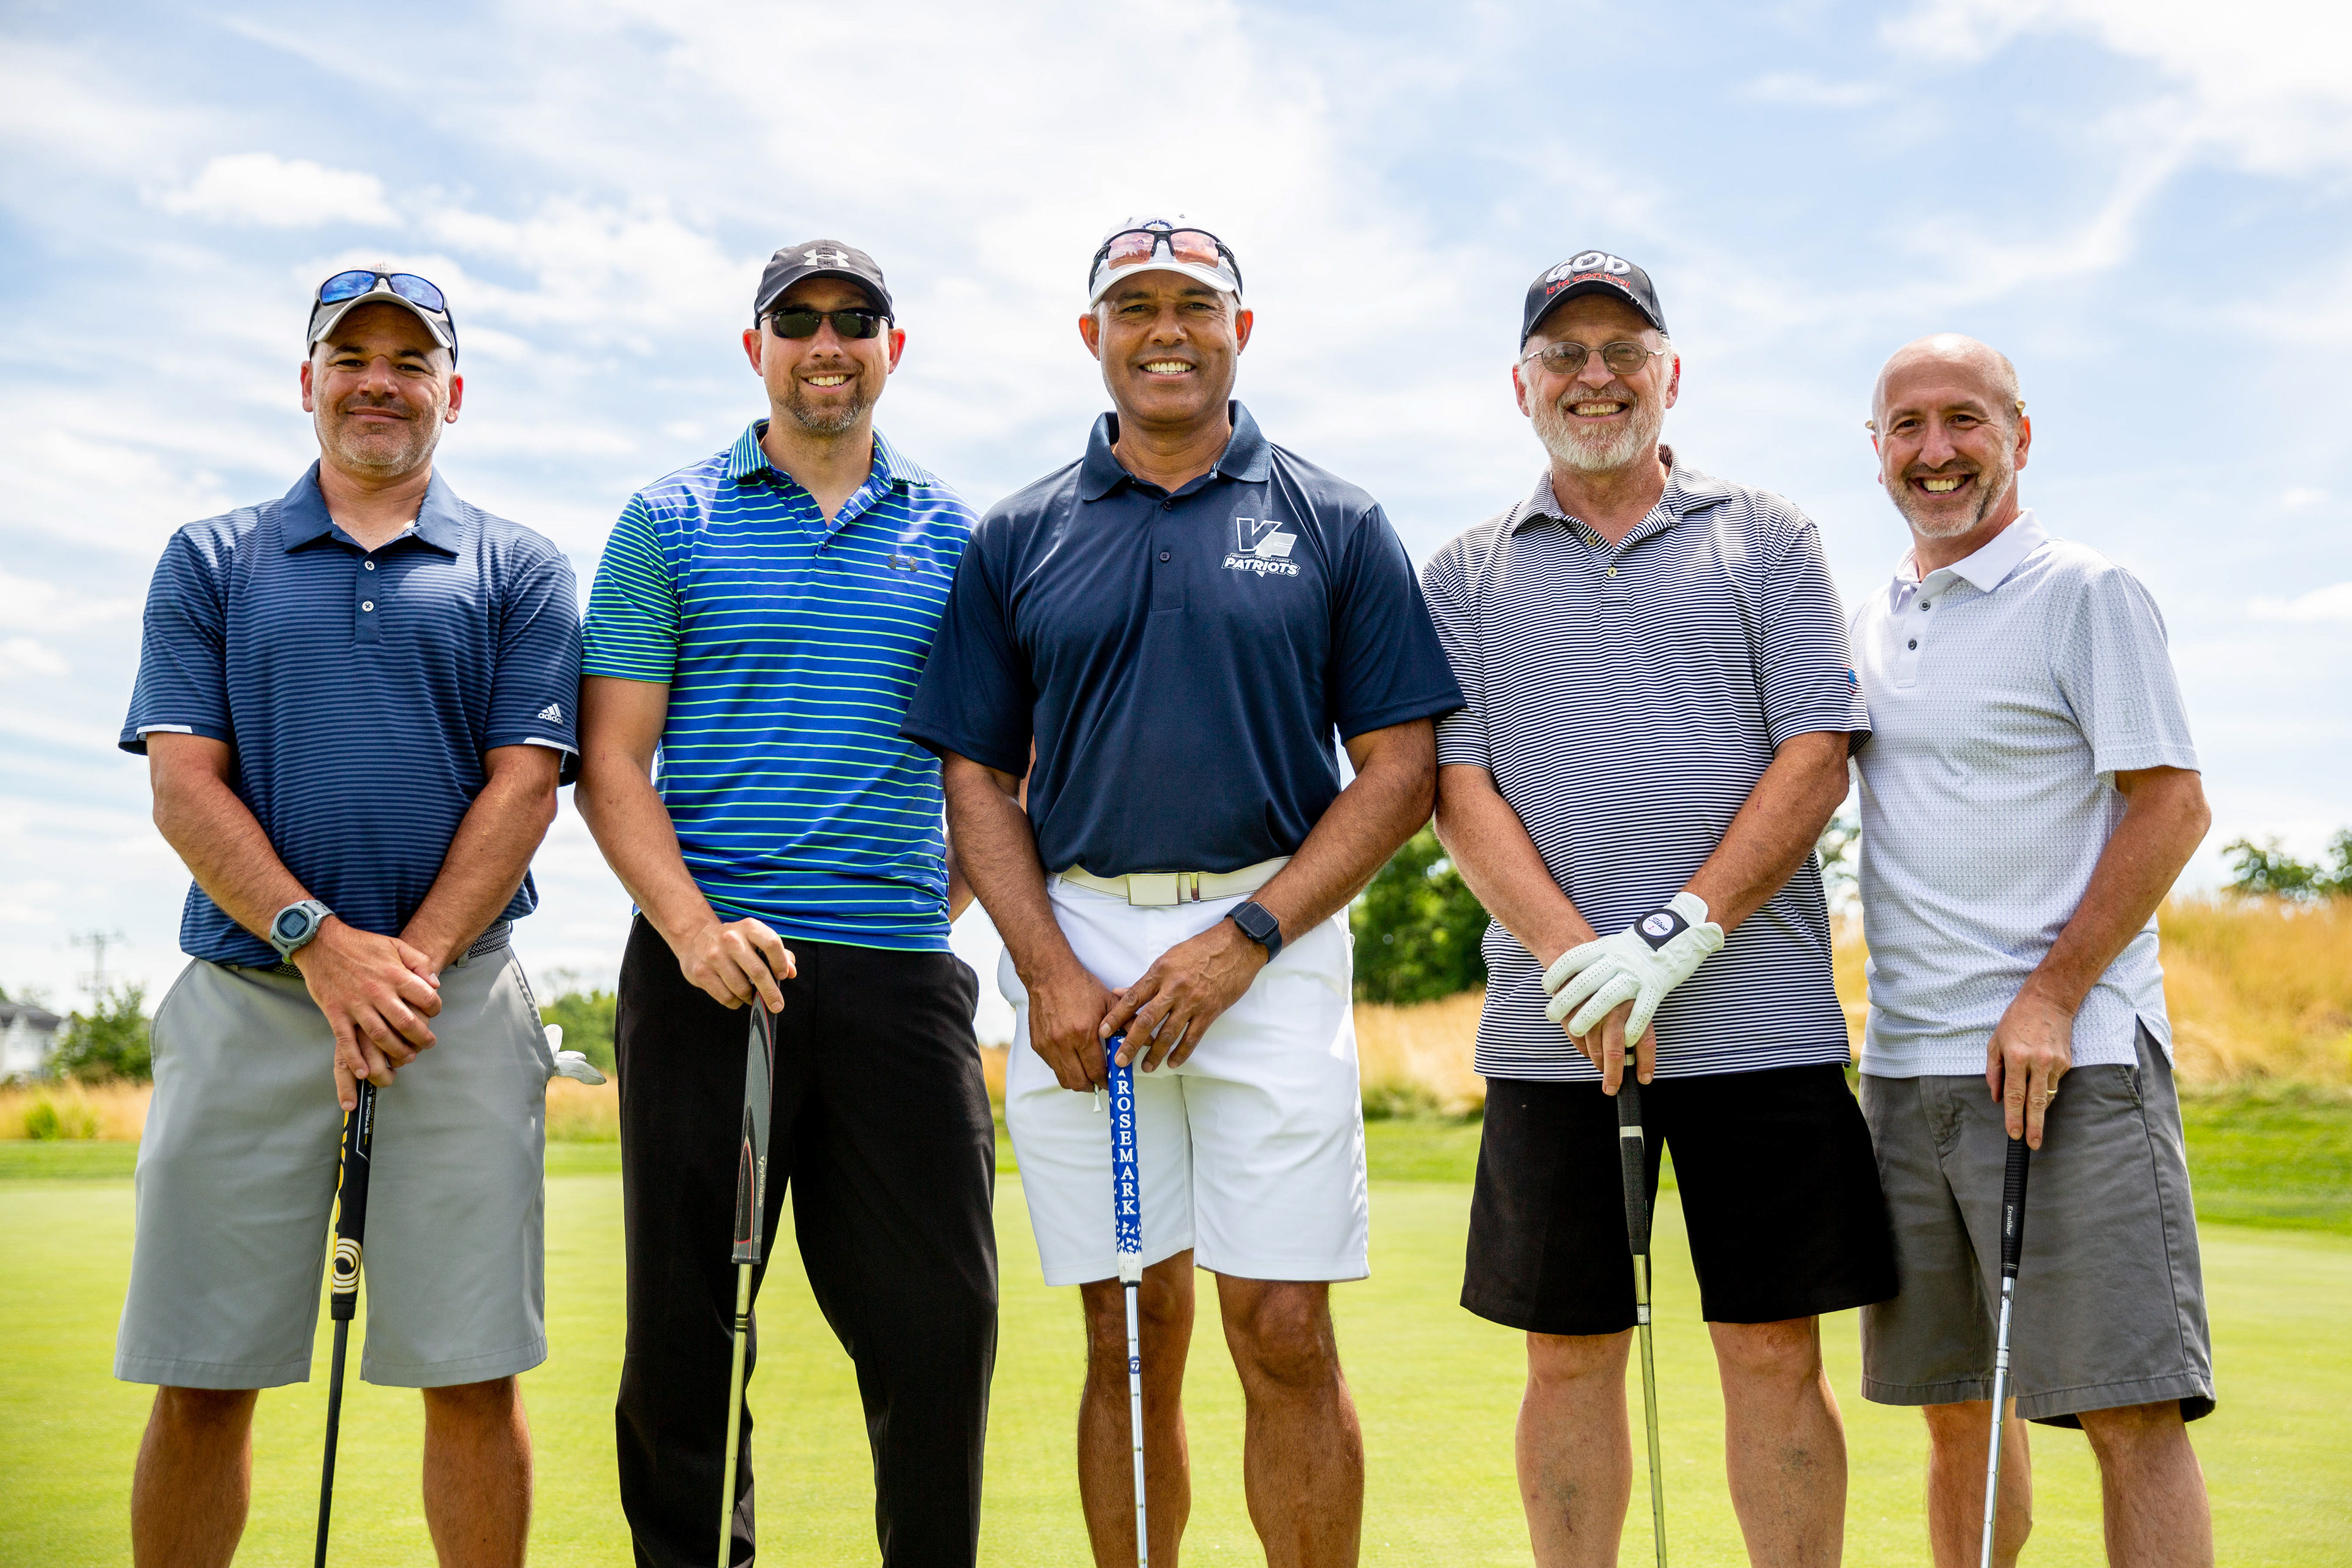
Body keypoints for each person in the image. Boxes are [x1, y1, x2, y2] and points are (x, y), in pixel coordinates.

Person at [903, 216, 1461, 1568]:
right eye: (1135, 306)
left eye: (1196, 305)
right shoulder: (1020, 531)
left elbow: (1399, 770)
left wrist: (1246, 939)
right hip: (1079, 940)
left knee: (1284, 1325)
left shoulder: (1336, 518)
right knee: (1128, 1331)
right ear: (1092, 335)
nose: (1167, 330)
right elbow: (977, 774)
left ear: (1240, 330)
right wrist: (1044, 969)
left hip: (1271, 937)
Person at [1420, 251, 1895, 1568]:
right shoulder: (1463, 569)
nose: (1596, 376)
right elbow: (1455, 784)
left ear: (1669, 373)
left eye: (1623, 350)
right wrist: (1579, 959)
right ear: (1521, 384)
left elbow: (1817, 751)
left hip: (1762, 1022)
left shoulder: (1768, 533)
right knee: (1567, 1355)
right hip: (1556, 1032)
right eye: (1564, 354)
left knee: (1772, 1346)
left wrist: (1678, 934)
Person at [116, 269, 581, 1567]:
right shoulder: (211, 557)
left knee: (473, 1371)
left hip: (454, 1004)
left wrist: (400, 973)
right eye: (353, 356)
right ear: (308, 381)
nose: (381, 381)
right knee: (202, 1375)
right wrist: (322, 948)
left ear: (453, 391)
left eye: (411, 360)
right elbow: (183, 783)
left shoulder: (520, 565)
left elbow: (525, 786)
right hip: (250, 993)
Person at [575, 239, 995, 1568]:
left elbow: (1003, 769)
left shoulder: (963, 537)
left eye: (855, 319)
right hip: (705, 973)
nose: (827, 342)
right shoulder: (668, 520)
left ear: (892, 348)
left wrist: (927, 914)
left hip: (897, 980)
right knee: (687, 1332)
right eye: (798, 319)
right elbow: (610, 762)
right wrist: (691, 930)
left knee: (942, 1327)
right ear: (755, 345)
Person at [1852, 334, 2216, 1567]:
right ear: (1875, 448)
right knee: (1959, 1410)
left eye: (1966, 418)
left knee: (2128, 1409)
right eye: (1908, 426)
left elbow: (2173, 806)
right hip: (1907, 1072)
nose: (1937, 450)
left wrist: (2052, 994)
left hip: (2071, 1067)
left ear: (2019, 431)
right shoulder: (1872, 615)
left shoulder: (2086, 592)